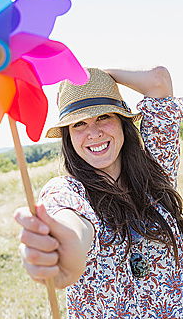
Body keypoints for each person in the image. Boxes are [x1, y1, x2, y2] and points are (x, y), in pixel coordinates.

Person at [14, 67, 183, 318]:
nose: (93, 133)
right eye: (79, 124)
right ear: (68, 137)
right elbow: (70, 223)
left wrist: (97, 75)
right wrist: (64, 246)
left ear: (122, 122)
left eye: (103, 117)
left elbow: (158, 81)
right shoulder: (69, 191)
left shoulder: (156, 169)